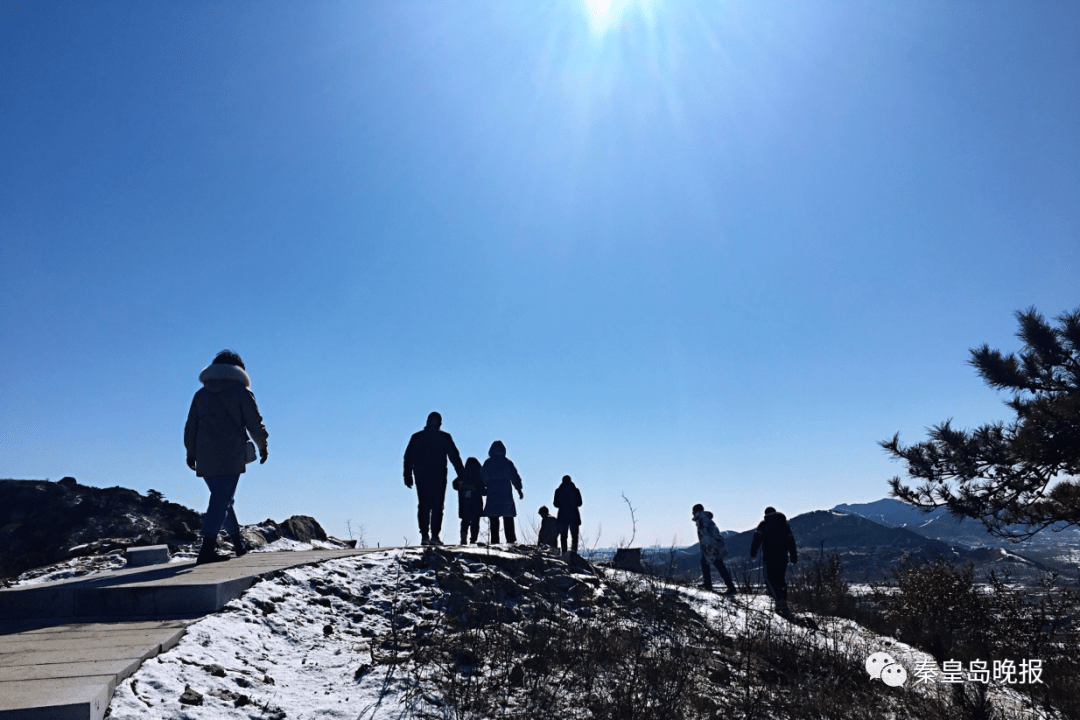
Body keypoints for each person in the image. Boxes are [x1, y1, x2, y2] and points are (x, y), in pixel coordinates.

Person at [184, 350, 269, 565]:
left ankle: (237, 544)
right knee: (222, 498)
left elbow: (191, 426)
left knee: (223, 498)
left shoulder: (200, 395)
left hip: (205, 456)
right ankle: (207, 549)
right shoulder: (241, 392)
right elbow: (254, 423)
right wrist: (262, 446)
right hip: (231, 454)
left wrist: (191, 452)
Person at [403, 411, 465, 546]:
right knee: (435, 506)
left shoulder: (418, 437)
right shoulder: (441, 437)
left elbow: (408, 457)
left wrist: (407, 475)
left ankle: (428, 535)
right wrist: (461, 474)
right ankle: (431, 536)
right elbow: (454, 457)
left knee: (427, 506)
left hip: (426, 476)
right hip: (435, 476)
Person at [749, 506, 798, 618]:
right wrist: (793, 556)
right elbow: (791, 541)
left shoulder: (763, 525)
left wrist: (753, 553)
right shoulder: (784, 525)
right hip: (783, 558)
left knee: (770, 580)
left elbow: (756, 539)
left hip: (769, 557)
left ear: (765, 514)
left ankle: (779, 601)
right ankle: (783, 603)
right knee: (781, 580)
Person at [481, 440, 523, 544]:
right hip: (506, 493)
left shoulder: (488, 463)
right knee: (508, 518)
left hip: (493, 492)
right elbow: (514, 476)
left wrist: (485, 487)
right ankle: (511, 541)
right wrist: (519, 489)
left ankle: (495, 543)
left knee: (494, 519)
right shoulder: (507, 462)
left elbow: (484, 477)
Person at [692, 504, 736, 596]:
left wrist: (708, 547)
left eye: (693, 511)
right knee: (705, 563)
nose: (692, 513)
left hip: (710, 547)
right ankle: (707, 583)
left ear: (696, 511)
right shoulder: (706, 518)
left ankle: (730, 586)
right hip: (712, 545)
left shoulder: (701, 519)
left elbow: (705, 534)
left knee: (718, 565)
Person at [452, 457, 486, 545]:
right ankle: (473, 540)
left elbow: (454, 484)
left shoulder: (462, 476)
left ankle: (463, 536)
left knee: (465, 522)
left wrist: (462, 485)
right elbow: (483, 491)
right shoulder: (478, 478)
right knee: (475, 523)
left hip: (464, 505)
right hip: (476, 505)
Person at [552, 475, 582, 554]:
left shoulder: (558, 491)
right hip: (574, 516)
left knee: (563, 537)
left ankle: (565, 553)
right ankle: (573, 553)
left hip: (563, 516)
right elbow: (580, 503)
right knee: (574, 536)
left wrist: (563, 504)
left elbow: (555, 504)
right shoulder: (575, 490)